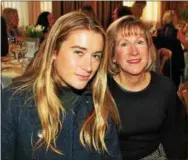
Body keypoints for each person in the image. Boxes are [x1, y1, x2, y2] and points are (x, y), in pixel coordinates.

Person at [2, 11, 122, 160]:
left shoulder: (99, 104)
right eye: (79, 52)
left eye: (96, 56)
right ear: (54, 51)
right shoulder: (14, 102)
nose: (89, 66)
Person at [107, 15, 186, 159]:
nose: (134, 51)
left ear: (149, 49)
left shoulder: (165, 88)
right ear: (113, 55)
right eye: (124, 44)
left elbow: (175, 137)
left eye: (139, 42)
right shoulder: (102, 91)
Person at [155, 10, 185, 89]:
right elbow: (186, 45)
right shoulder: (177, 32)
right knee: (175, 85)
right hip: (175, 63)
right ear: (173, 19)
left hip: (161, 64)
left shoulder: (158, 31)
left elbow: (154, 46)